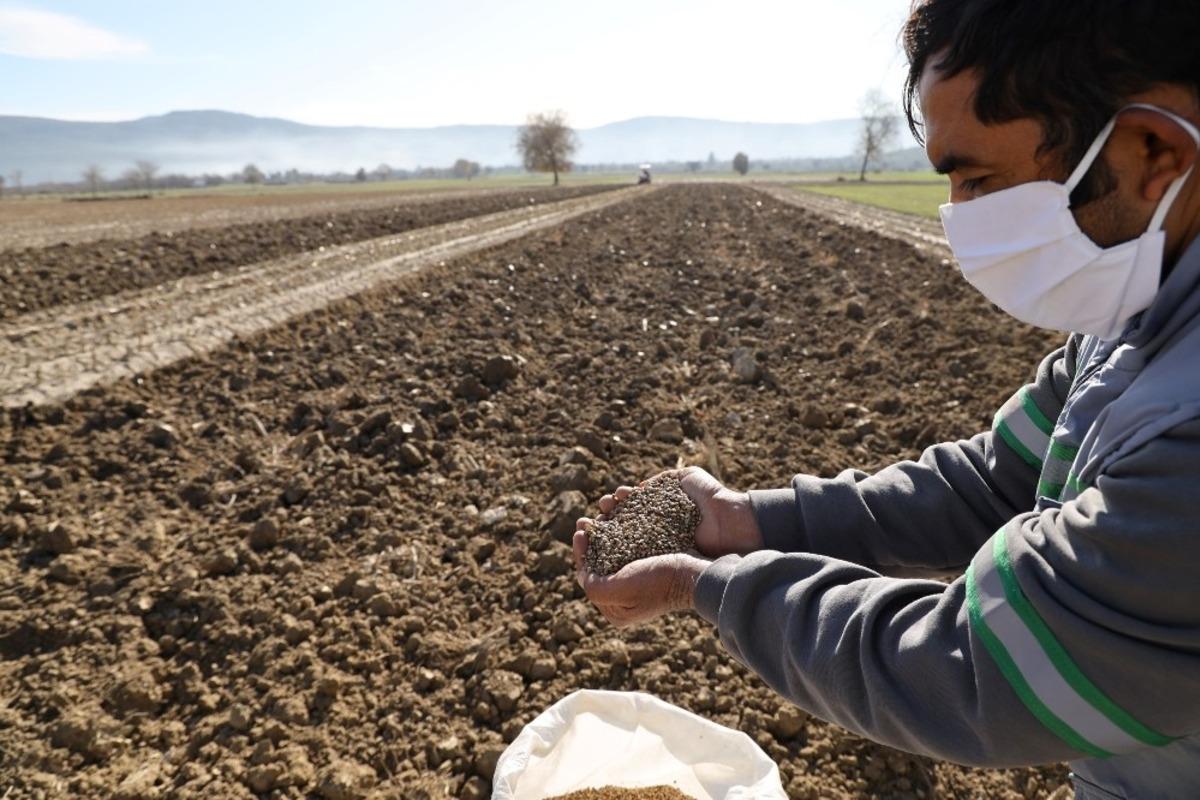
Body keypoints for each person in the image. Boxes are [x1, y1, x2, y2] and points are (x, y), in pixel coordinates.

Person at [572, 2, 1200, 798]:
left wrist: (702, 585)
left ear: (1153, 152)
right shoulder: (1135, 316)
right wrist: (747, 521)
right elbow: (995, 482)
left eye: (980, 179)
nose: (961, 218)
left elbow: (979, 670)